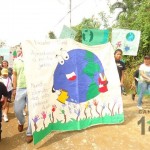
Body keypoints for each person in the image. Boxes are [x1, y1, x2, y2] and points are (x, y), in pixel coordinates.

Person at [13, 46, 33, 143]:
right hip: (20, 88)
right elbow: (15, 74)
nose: (21, 50)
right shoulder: (17, 61)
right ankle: (21, 121)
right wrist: (14, 88)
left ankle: (29, 132)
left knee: (32, 111)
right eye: (20, 49)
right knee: (17, 109)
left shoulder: (33, 58)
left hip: (32, 87)